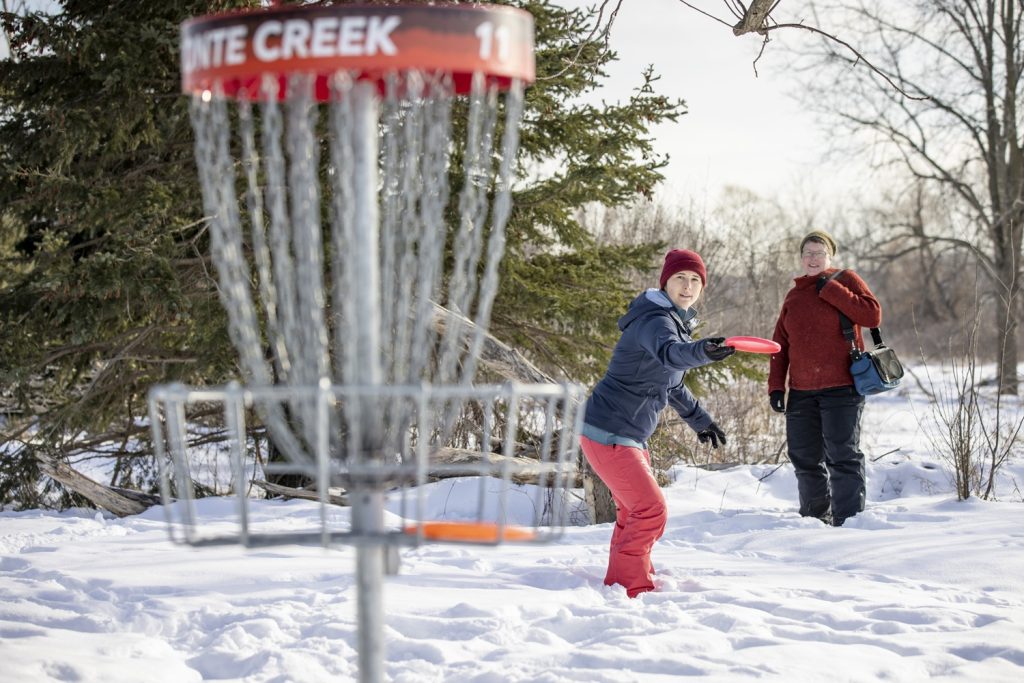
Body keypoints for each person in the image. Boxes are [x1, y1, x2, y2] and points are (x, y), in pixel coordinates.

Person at [580, 249, 735, 598]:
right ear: (665, 281)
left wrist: (702, 421)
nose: (688, 285)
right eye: (681, 277)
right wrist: (702, 352)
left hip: (624, 433)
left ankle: (625, 579)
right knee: (651, 510)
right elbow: (671, 354)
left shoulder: (672, 320)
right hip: (610, 433)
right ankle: (631, 586)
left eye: (695, 280)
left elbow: (672, 383)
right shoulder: (656, 322)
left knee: (634, 512)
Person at [768, 230, 881, 526]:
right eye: (807, 253)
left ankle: (848, 521)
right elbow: (780, 345)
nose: (813, 258)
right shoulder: (794, 296)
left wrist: (830, 289)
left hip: (842, 388)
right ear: (801, 258)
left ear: (830, 257)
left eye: (819, 253)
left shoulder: (845, 280)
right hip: (802, 392)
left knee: (842, 455)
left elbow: (872, 316)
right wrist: (776, 387)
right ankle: (814, 519)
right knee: (804, 457)